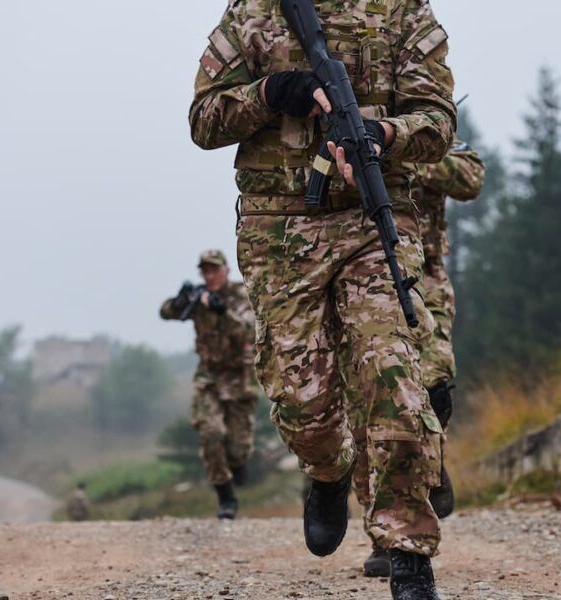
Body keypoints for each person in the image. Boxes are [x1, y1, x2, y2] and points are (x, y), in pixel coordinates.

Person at [189, 1, 456, 597]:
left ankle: (408, 553)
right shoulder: (254, 14)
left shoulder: (401, 11)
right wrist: (271, 92)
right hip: (279, 228)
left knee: (394, 376)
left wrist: (385, 135)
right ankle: (328, 469)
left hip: (373, 220)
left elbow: (438, 121)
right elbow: (203, 122)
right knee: (299, 396)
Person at [350, 138, 486, 577]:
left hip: (425, 276)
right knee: (375, 404)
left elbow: (469, 179)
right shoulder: (348, 130)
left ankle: (432, 458)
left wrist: (405, 151)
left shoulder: (430, 136)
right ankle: (386, 536)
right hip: (368, 275)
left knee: (435, 388)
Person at [160, 250, 259, 520]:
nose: (210, 276)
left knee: (238, 448)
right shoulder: (200, 297)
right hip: (209, 378)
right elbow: (166, 312)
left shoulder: (240, 296)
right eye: (205, 271)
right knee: (210, 431)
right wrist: (179, 302)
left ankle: (237, 463)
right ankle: (225, 496)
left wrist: (222, 311)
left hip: (239, 378)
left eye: (215, 270)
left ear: (226, 270)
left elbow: (248, 331)